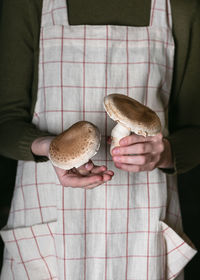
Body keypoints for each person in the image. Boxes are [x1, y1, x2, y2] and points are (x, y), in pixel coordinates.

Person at [0, 0, 199, 279]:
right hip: (49, 211)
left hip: (145, 218)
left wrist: (165, 153)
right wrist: (53, 149)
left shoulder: (180, 7)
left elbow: (194, 130)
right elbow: (6, 121)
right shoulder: (28, 4)